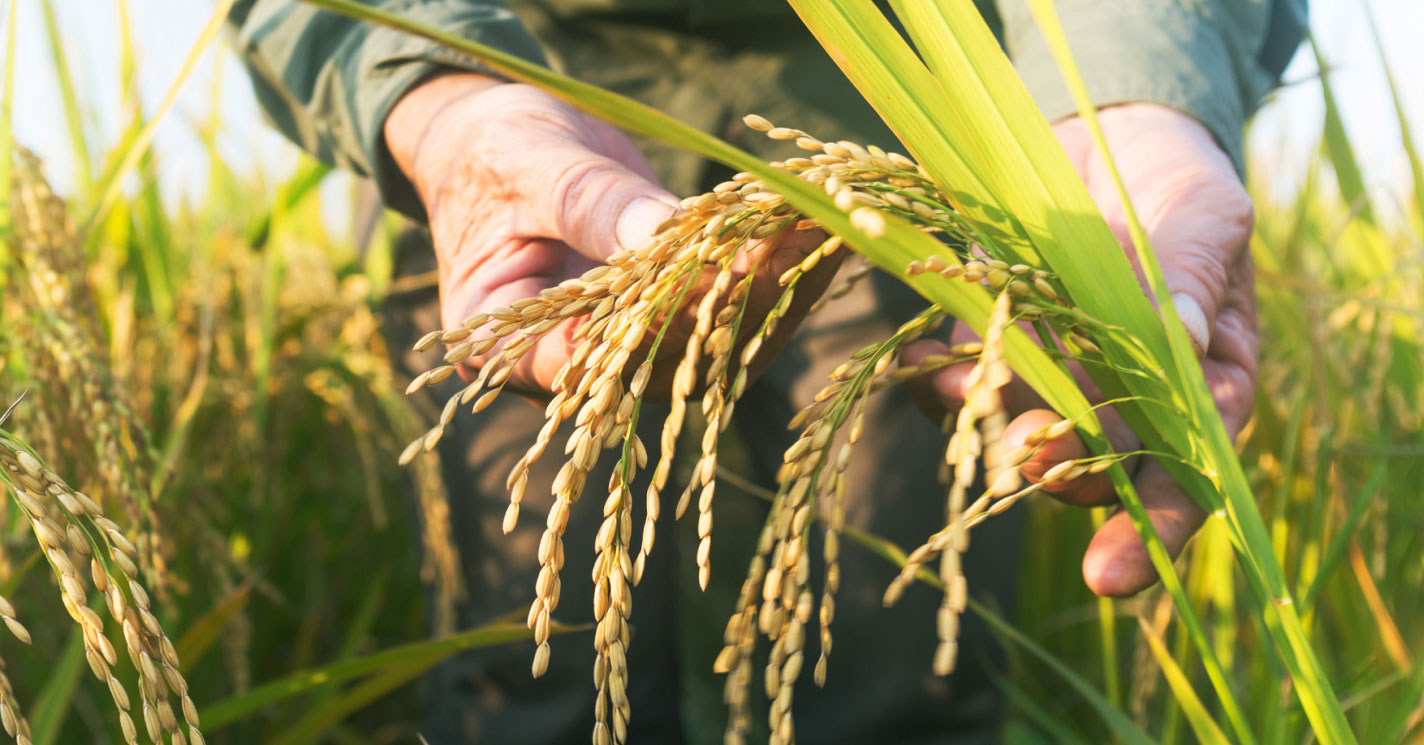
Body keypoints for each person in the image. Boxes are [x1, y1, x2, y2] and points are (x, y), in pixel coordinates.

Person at [228, 1, 1306, 742]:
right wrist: (437, 93)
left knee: (895, 662)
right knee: (529, 667)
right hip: (512, 87)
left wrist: (1128, 104)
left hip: (892, 110)